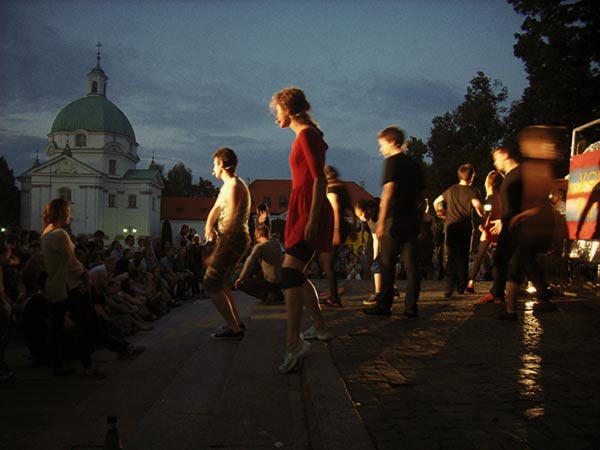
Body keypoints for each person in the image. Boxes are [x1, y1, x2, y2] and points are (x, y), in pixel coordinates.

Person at [270, 87, 333, 373]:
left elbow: (319, 179)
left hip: (309, 209)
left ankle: (293, 341)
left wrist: (312, 219)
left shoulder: (307, 134)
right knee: (295, 273)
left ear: (290, 110)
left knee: (290, 274)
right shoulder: (306, 134)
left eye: (277, 111)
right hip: (304, 207)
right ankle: (318, 327)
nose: (275, 118)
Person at [496, 127, 562, 320]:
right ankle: (539, 299)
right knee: (524, 262)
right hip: (536, 225)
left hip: (534, 226)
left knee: (518, 264)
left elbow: (542, 201)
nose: (524, 147)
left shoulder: (534, 168)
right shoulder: (539, 167)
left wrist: (519, 216)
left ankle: (512, 310)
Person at [363, 126, 425, 319]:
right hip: (412, 219)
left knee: (387, 262)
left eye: (382, 144)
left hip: (394, 219)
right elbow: (422, 198)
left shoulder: (392, 162)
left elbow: (388, 191)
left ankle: (385, 305)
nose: (381, 149)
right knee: (412, 265)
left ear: (392, 142)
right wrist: (421, 222)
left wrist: (381, 222)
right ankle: (411, 307)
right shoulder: (415, 165)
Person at [40, 198, 105, 378]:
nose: (70, 214)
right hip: (68, 285)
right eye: (67, 210)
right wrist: (84, 275)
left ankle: (58, 365)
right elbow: (71, 262)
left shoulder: (45, 234)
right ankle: (87, 365)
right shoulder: (60, 234)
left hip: (54, 285)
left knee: (57, 327)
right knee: (86, 324)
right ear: (61, 212)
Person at [203, 147, 251, 339]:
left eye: (214, 164)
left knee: (211, 284)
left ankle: (234, 328)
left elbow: (231, 223)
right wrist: (208, 226)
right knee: (221, 284)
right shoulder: (228, 186)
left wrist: (217, 252)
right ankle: (236, 323)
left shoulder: (234, 187)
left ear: (221, 164)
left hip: (234, 238)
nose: (212, 168)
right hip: (231, 239)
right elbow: (216, 209)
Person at [433, 164, 486, 297]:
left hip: (451, 226)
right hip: (465, 227)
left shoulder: (451, 190)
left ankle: (449, 286)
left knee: (450, 257)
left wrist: (440, 211)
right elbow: (478, 207)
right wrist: (483, 214)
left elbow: (436, 201)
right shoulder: (473, 191)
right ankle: (461, 286)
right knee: (463, 257)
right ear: (472, 177)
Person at [318, 165, 356, 306]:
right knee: (327, 262)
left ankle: (334, 297)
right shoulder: (342, 187)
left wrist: (335, 231)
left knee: (327, 262)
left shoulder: (332, 188)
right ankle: (334, 294)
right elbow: (351, 210)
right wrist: (352, 228)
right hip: (342, 227)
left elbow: (334, 209)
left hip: (333, 228)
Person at [468, 170, 504, 295]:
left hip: (490, 226)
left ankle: (471, 282)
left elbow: (486, 213)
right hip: (501, 225)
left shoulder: (490, 197)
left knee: (480, 255)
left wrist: (482, 226)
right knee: (500, 256)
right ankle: (498, 282)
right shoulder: (504, 196)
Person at [234, 225, 284, 305]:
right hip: (280, 281)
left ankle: (267, 295)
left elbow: (250, 261)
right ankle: (277, 294)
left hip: (270, 282)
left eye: (255, 234)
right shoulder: (275, 243)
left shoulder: (260, 246)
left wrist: (241, 278)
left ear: (258, 235)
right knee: (260, 269)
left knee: (242, 284)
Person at [355, 198, 384, 305]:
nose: (361, 218)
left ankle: (378, 293)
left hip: (389, 239)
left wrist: (377, 256)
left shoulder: (379, 215)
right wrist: (376, 255)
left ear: (368, 210)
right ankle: (390, 289)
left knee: (378, 266)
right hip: (381, 241)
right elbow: (375, 237)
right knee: (378, 265)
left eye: (360, 215)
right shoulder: (369, 221)